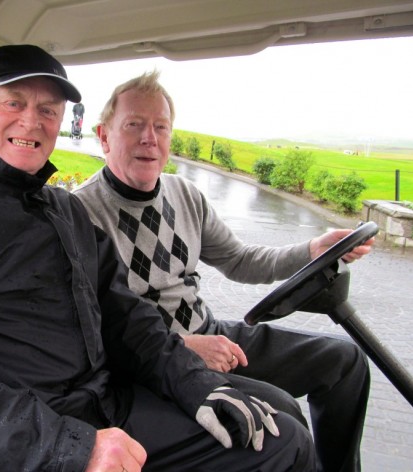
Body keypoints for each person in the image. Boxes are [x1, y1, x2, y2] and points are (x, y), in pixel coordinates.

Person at [0, 45, 316, 471]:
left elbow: (126, 319)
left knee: (277, 435)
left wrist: (194, 383)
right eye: (14, 103)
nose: (31, 121)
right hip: (5, 447)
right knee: (280, 445)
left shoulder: (66, 210)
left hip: (101, 408)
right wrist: (70, 447)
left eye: (47, 110)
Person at [73, 71, 372, 472]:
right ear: (104, 136)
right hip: (154, 364)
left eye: (161, 127)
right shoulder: (79, 214)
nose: (149, 138)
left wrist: (312, 250)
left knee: (344, 361)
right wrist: (181, 346)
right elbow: (90, 328)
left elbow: (239, 260)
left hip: (212, 334)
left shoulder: (185, 194)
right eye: (134, 125)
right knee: (281, 414)